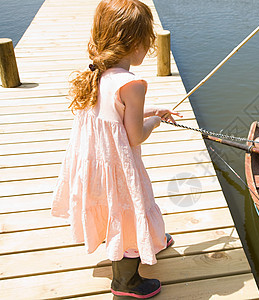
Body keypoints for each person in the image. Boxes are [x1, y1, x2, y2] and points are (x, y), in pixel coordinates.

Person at [51, 0, 181, 298]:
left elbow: (114, 111)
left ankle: (153, 239)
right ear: (137, 43)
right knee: (129, 210)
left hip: (94, 162)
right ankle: (126, 282)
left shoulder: (98, 72)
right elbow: (135, 136)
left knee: (112, 208)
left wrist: (151, 110)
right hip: (118, 166)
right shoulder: (133, 83)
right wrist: (156, 122)